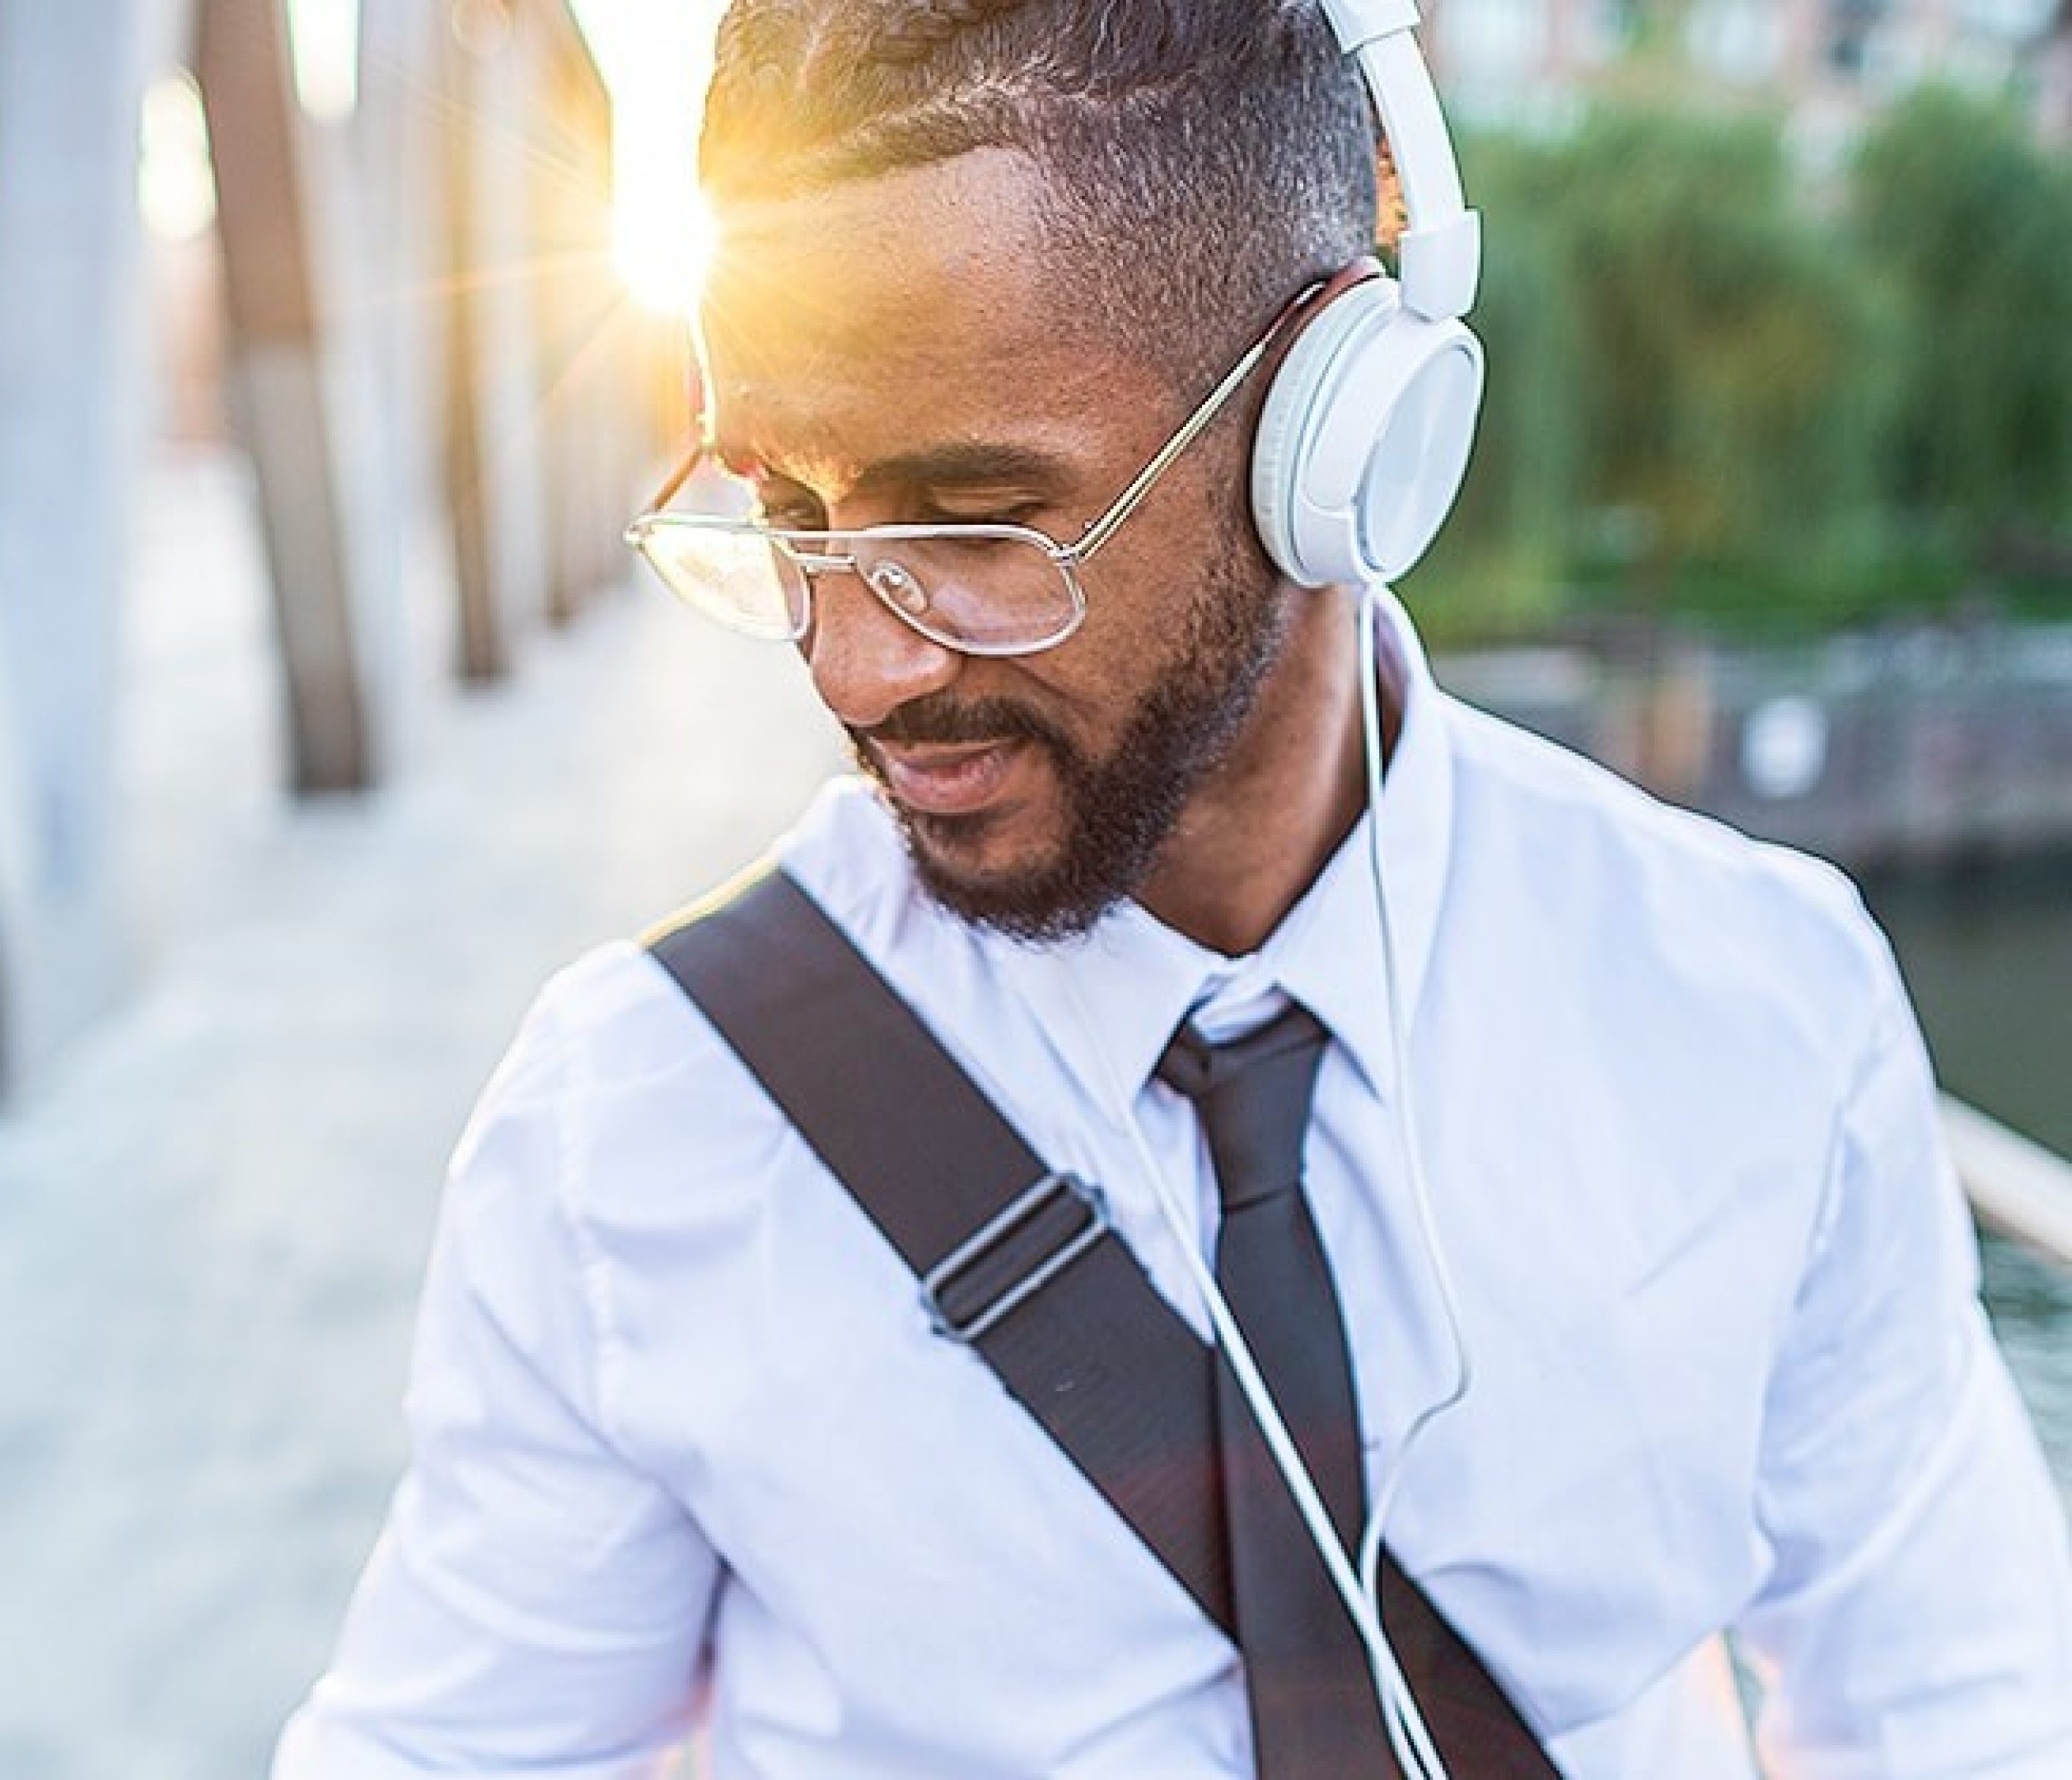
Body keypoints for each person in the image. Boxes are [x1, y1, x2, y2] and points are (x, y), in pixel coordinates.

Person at [275, 2, 2072, 1773]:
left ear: (1333, 438)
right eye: (789, 514)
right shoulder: (625, 1124)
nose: (850, 665)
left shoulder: (1762, 1004)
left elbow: (1964, 1712)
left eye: (971, 522)